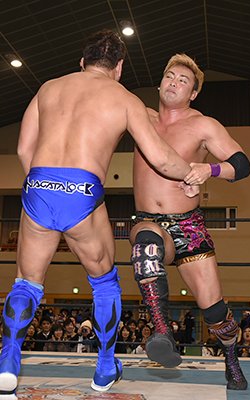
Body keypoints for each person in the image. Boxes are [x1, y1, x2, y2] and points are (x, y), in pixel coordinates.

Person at [0, 29, 202, 398]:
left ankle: (7, 362)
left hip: (39, 186)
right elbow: (160, 158)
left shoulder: (48, 88)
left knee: (26, 282)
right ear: (119, 67)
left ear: (82, 61)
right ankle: (105, 366)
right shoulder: (123, 98)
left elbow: (24, 149)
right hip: (82, 192)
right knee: (104, 281)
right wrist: (192, 174)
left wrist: (47, 189)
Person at [128, 53, 250, 390]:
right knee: (145, 249)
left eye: (183, 81)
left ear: (193, 93)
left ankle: (231, 357)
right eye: (170, 76)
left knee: (214, 312)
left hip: (189, 225)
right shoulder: (140, 117)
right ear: (159, 83)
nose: (174, 83)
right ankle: (162, 333)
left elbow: (242, 164)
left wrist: (209, 169)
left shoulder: (203, 125)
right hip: (148, 220)